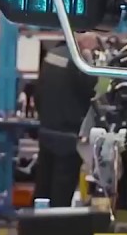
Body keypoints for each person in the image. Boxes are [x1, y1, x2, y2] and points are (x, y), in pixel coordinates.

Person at [33, 33, 100, 207]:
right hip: (68, 135)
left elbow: (38, 92)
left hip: (47, 130)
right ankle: (55, 229)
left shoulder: (52, 54)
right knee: (61, 191)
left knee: (43, 185)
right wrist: (87, 56)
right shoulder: (80, 60)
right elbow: (90, 87)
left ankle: (34, 226)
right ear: (84, 42)